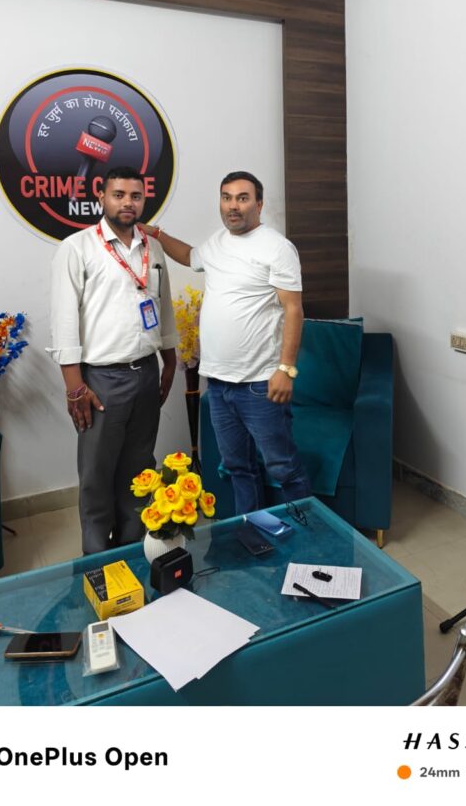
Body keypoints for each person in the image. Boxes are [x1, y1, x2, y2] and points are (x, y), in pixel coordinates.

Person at [142, 171, 311, 514]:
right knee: (238, 468)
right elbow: (190, 256)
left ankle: (305, 536)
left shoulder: (277, 248)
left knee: (283, 469)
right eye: (227, 197)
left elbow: (294, 309)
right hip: (218, 385)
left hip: (260, 384)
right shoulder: (217, 243)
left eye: (243, 198)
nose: (233, 206)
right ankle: (254, 532)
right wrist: (157, 234)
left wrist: (286, 369)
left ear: (259, 204)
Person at [47, 166, 177, 554]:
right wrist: (75, 387)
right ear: (101, 197)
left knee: (139, 470)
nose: (127, 203)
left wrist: (170, 361)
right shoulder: (77, 248)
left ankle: (131, 549)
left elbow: (163, 307)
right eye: (118, 195)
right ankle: (97, 561)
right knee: (97, 476)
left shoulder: (153, 248)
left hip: (146, 372)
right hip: (101, 380)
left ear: (144, 199)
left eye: (135, 196)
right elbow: (64, 320)